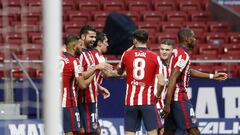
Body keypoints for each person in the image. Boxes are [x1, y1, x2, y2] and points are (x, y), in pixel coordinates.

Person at [161, 28, 228, 135]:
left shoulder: (175, 52)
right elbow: (173, 78)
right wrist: (167, 104)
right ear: (187, 39)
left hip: (170, 98)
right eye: (193, 37)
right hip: (179, 98)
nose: (195, 39)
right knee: (194, 130)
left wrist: (212, 76)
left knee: (169, 131)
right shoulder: (183, 55)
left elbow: (187, 71)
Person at [117, 29, 164, 135]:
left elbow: (119, 71)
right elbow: (161, 82)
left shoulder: (127, 54)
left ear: (134, 40)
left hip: (131, 101)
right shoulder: (155, 57)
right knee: (152, 132)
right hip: (147, 100)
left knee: (130, 132)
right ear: (147, 40)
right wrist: (157, 96)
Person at [77, 25, 112, 135]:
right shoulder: (81, 54)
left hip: (92, 98)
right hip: (83, 99)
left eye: (94, 37)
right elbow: (80, 76)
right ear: (83, 37)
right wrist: (97, 67)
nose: (93, 39)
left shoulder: (89, 53)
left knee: (95, 130)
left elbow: (90, 74)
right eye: (91, 37)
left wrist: (98, 87)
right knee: (85, 131)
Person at [60, 35, 95, 135]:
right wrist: (95, 72)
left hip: (54, 101)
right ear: (74, 47)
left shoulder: (58, 57)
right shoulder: (75, 61)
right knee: (72, 132)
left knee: (78, 130)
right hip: (68, 101)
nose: (82, 48)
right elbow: (83, 85)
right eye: (80, 45)